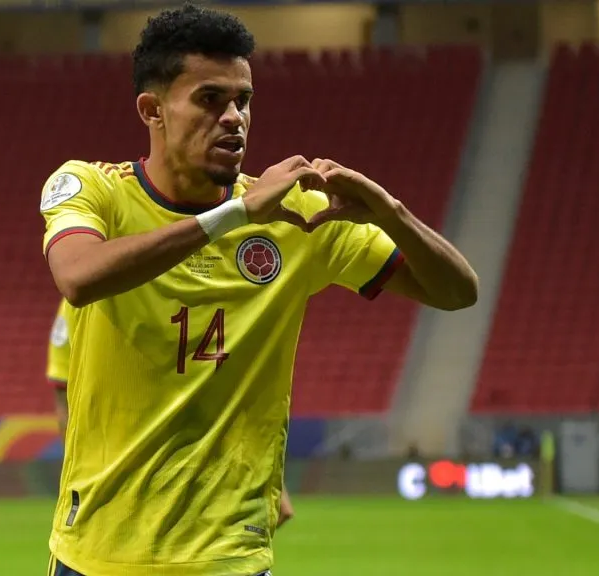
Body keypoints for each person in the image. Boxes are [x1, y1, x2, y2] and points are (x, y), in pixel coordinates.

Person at [40, 5, 478, 575]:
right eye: (209, 100)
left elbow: (456, 292)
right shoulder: (92, 188)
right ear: (152, 110)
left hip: (231, 558)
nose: (234, 118)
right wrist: (236, 214)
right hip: (96, 555)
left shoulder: (296, 216)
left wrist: (390, 212)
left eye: (243, 101)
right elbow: (77, 277)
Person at [47, 298, 298, 531]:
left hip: (201, 478)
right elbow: (65, 403)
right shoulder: (87, 302)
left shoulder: (202, 292)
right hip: (115, 488)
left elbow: (216, 391)